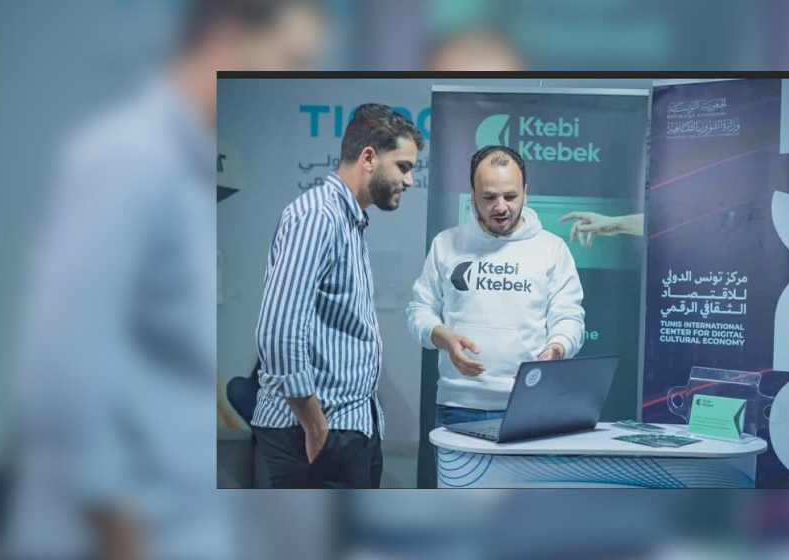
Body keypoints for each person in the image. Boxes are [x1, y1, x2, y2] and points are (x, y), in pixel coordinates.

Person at [5, 0, 327, 557]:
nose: (299, 76)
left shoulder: (189, 171)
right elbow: (64, 363)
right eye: (293, 58)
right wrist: (123, 535)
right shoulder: (127, 157)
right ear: (227, 36)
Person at [251, 103, 424, 489]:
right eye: (403, 167)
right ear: (368, 158)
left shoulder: (348, 219)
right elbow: (278, 333)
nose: (409, 181)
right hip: (314, 433)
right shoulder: (318, 217)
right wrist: (316, 427)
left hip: (345, 426)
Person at [407, 145, 585, 427]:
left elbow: (569, 318)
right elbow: (419, 311)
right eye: (489, 197)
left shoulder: (552, 248)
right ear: (473, 195)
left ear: (525, 191)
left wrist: (557, 349)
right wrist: (443, 337)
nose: (500, 207)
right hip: (459, 404)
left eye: (511, 196)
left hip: (531, 403)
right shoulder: (446, 244)